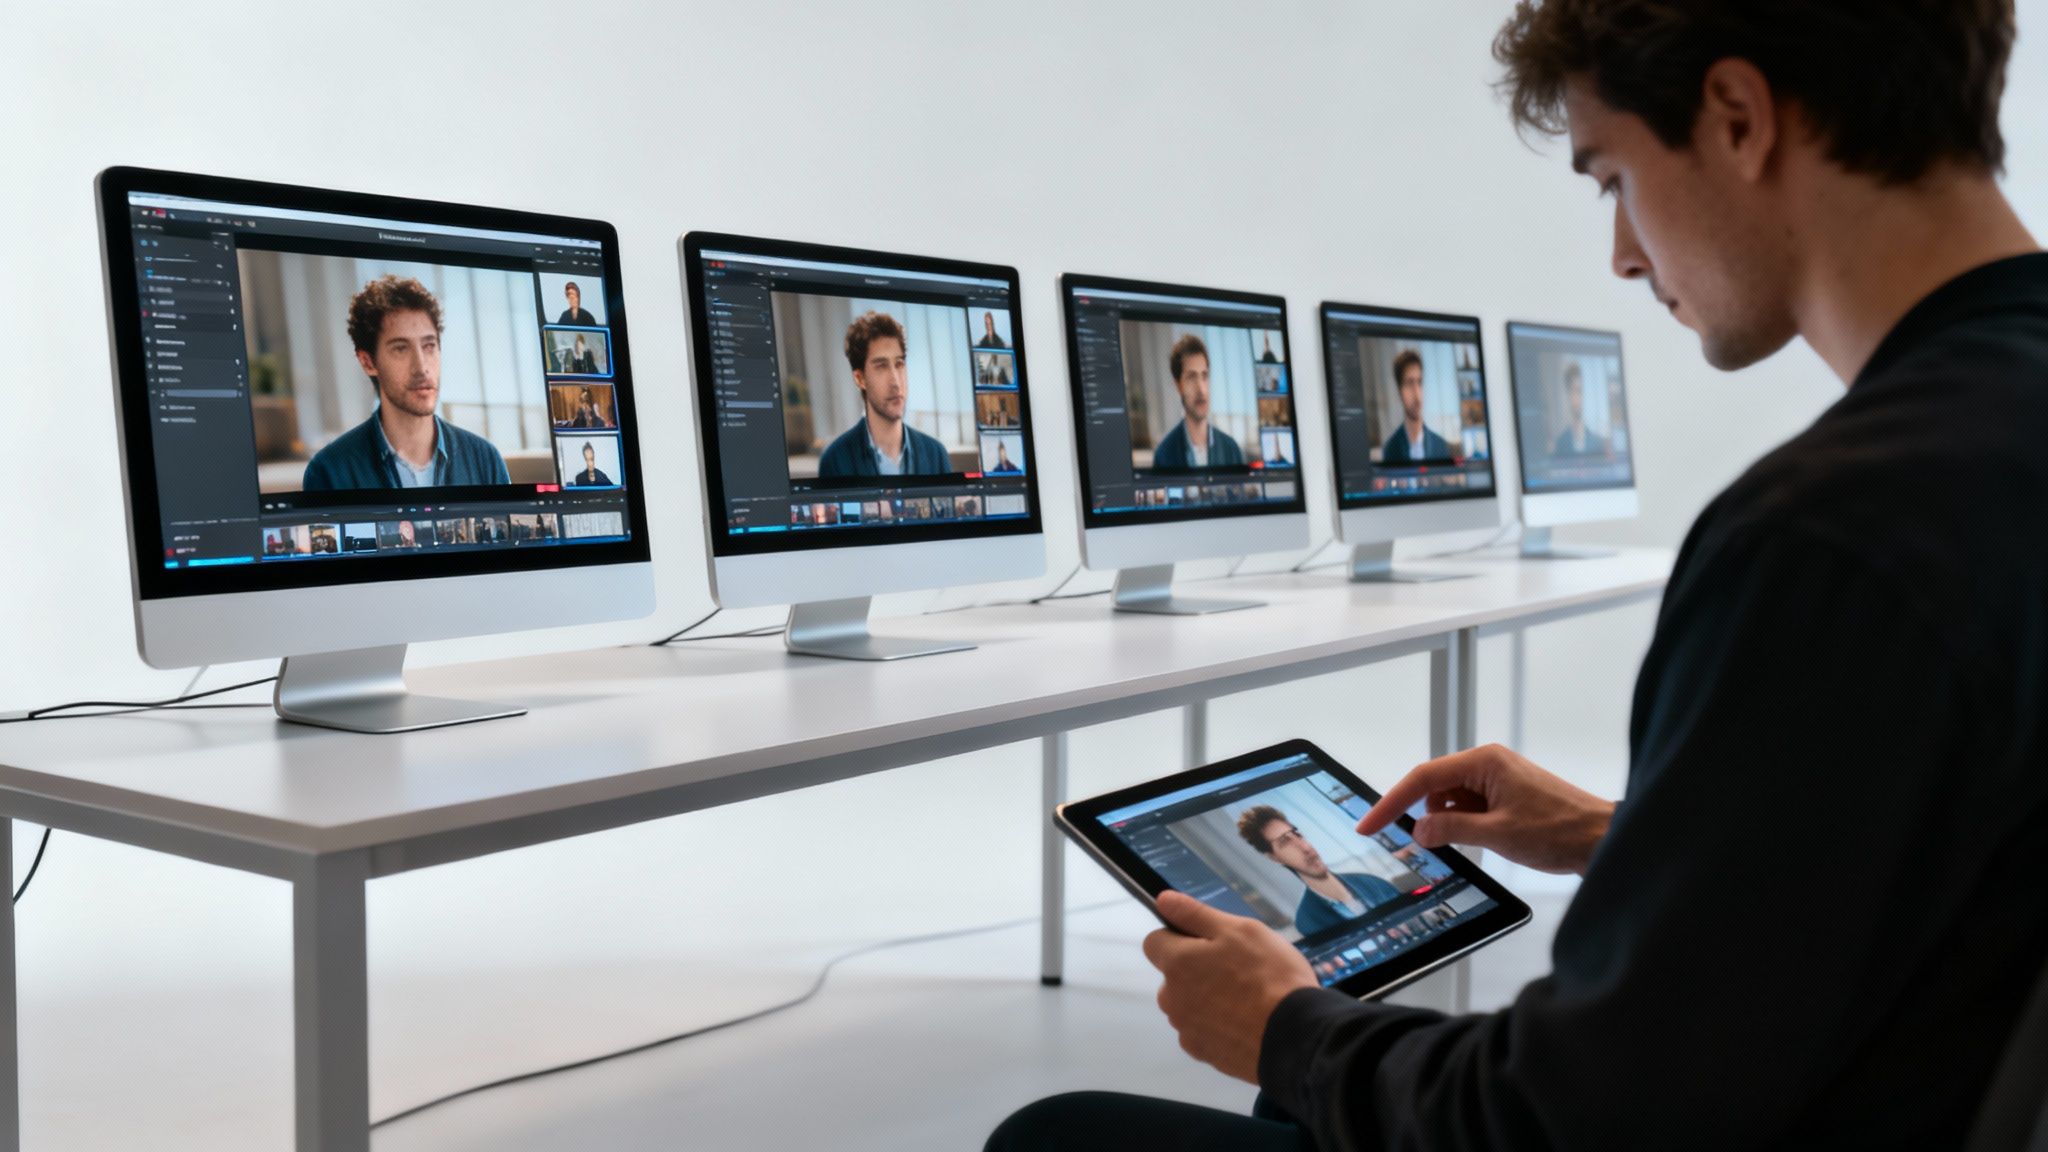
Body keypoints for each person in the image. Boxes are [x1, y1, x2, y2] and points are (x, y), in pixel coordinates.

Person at [990, 2, 2046, 1149]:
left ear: (1736, 118)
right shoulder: (1983, 461)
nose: (1623, 254)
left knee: (1058, 1132)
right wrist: (1631, 834)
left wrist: (1283, 1025)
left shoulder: (1823, 540)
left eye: (1610, 179)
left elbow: (1565, 1120)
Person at [302, 276, 509, 490]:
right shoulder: (329, 472)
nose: (421, 367)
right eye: (401, 348)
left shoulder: (486, 461)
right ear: (368, 362)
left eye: (429, 346)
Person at [818, 310, 952, 477]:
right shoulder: (835, 460)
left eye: (899, 364)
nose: (895, 382)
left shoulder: (936, 455)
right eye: (881, 366)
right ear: (860, 379)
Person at [1235, 806, 1400, 938]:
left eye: (1297, 835)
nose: (1305, 848)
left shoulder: (1374, 883)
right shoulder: (1307, 922)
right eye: (1285, 842)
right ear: (1274, 858)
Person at [1151, 334, 1245, 469]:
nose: (1201, 389)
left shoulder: (1232, 450)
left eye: (1204, 376)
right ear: (1178, 385)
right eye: (1191, 377)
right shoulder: (1164, 455)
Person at [1380, 349, 1454, 463]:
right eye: (1410, 383)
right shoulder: (1390, 450)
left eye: (1419, 382)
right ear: (1399, 392)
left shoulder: (1441, 446)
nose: (1417, 394)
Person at [1551, 361, 1609, 455]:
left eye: (1581, 391)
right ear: (1568, 395)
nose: (1579, 398)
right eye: (1575, 391)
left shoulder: (1598, 444)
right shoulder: (1560, 444)